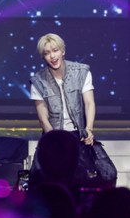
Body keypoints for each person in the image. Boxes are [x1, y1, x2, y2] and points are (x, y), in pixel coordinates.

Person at [29, 33, 116, 186]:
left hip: (79, 136)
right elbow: (43, 118)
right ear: (43, 57)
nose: (52, 56)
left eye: (55, 50)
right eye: (47, 53)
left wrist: (89, 129)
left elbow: (89, 103)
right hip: (53, 137)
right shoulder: (38, 81)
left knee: (108, 174)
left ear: (63, 51)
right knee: (39, 180)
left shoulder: (82, 72)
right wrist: (54, 141)